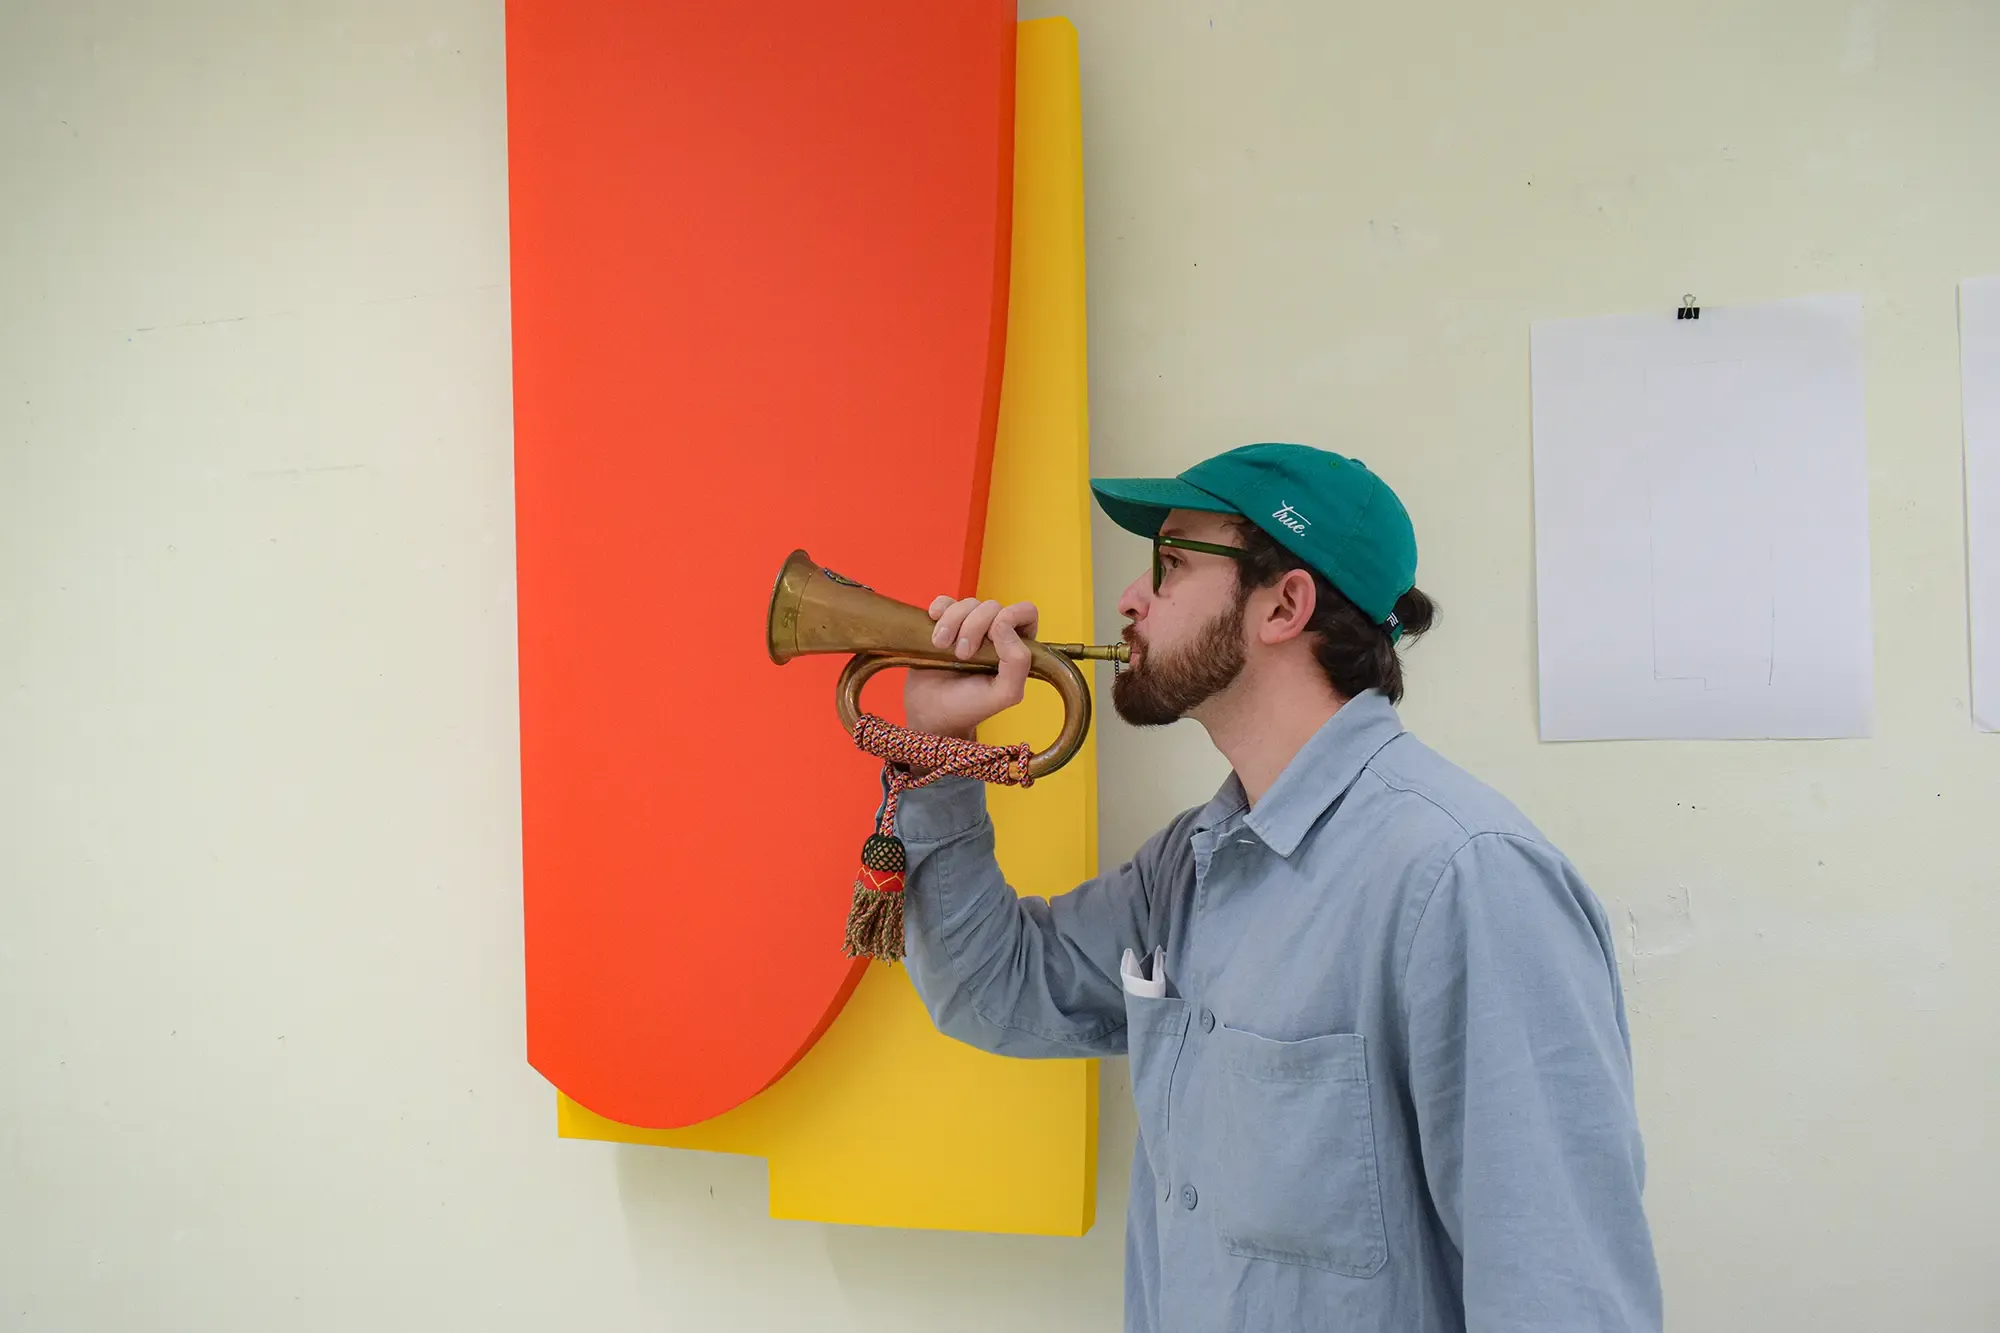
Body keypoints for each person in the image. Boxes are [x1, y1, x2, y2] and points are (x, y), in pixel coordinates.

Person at [892, 442, 1662, 1333]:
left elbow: (1559, 1294)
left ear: (1285, 604)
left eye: (1171, 564)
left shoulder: (1468, 877)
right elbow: (993, 989)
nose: (1130, 600)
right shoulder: (1190, 861)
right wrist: (933, 753)